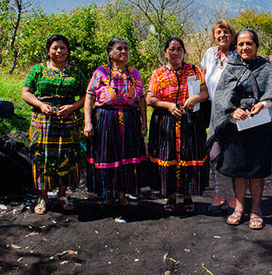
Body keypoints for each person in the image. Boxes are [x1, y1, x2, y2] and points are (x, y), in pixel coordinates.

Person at [207, 28, 272, 230]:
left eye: (249, 43)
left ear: (257, 46)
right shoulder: (231, 67)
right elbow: (221, 98)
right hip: (236, 128)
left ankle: (256, 210)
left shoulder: (268, 68)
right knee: (238, 170)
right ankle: (239, 208)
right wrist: (232, 111)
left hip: (260, 125)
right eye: (241, 44)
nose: (245, 47)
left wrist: (265, 103)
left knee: (257, 170)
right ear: (236, 47)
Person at [21, 35, 87, 215]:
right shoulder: (38, 70)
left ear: (68, 51)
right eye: (55, 48)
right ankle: (42, 197)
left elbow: (87, 96)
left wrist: (72, 107)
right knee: (41, 156)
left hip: (68, 122)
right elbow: (26, 93)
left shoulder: (76, 73)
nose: (59, 51)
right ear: (49, 50)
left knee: (66, 157)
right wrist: (41, 105)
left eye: (63, 48)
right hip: (42, 122)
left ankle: (63, 195)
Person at [83, 38, 148, 216]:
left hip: (129, 119)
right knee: (108, 156)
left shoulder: (135, 74)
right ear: (110, 53)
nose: (124, 52)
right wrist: (88, 122)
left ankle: (122, 194)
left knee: (126, 156)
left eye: (126, 49)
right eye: (119, 49)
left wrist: (144, 121)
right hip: (105, 119)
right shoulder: (100, 72)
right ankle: (108, 194)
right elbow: (89, 97)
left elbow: (141, 98)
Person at [147, 37, 209, 213]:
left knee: (189, 157)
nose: (175, 52)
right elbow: (150, 98)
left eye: (179, 49)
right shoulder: (158, 73)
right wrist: (168, 105)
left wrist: (196, 97)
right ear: (166, 53)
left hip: (190, 121)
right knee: (168, 158)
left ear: (183, 52)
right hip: (166, 122)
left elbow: (204, 92)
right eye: (171, 49)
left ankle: (188, 197)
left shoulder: (194, 70)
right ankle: (170, 197)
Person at [201, 20, 238, 214]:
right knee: (216, 154)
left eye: (226, 31)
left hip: (233, 112)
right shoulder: (209, 54)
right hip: (213, 111)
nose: (222, 35)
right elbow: (203, 80)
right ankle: (220, 193)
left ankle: (233, 196)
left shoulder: (238, 56)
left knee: (231, 154)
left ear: (232, 35)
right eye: (218, 32)